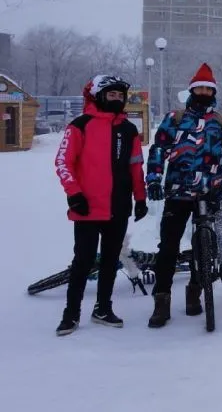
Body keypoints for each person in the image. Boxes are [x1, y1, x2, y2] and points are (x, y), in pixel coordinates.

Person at [145, 63, 222, 329]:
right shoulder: (175, 119)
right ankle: (162, 300)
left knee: (205, 246)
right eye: (199, 88)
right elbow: (158, 150)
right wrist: (154, 180)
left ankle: (195, 290)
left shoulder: (221, 122)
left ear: (213, 92)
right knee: (168, 247)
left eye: (208, 88)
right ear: (192, 90)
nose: (203, 92)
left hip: (210, 190)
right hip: (178, 191)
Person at [52, 75, 148, 335]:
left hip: (118, 207)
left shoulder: (128, 130)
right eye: (111, 95)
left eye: (120, 96)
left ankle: (103, 308)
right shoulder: (80, 125)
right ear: (99, 96)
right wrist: (74, 194)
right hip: (87, 208)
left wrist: (140, 197)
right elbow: (63, 163)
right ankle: (71, 314)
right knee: (83, 261)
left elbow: (136, 166)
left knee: (109, 261)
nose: (116, 99)